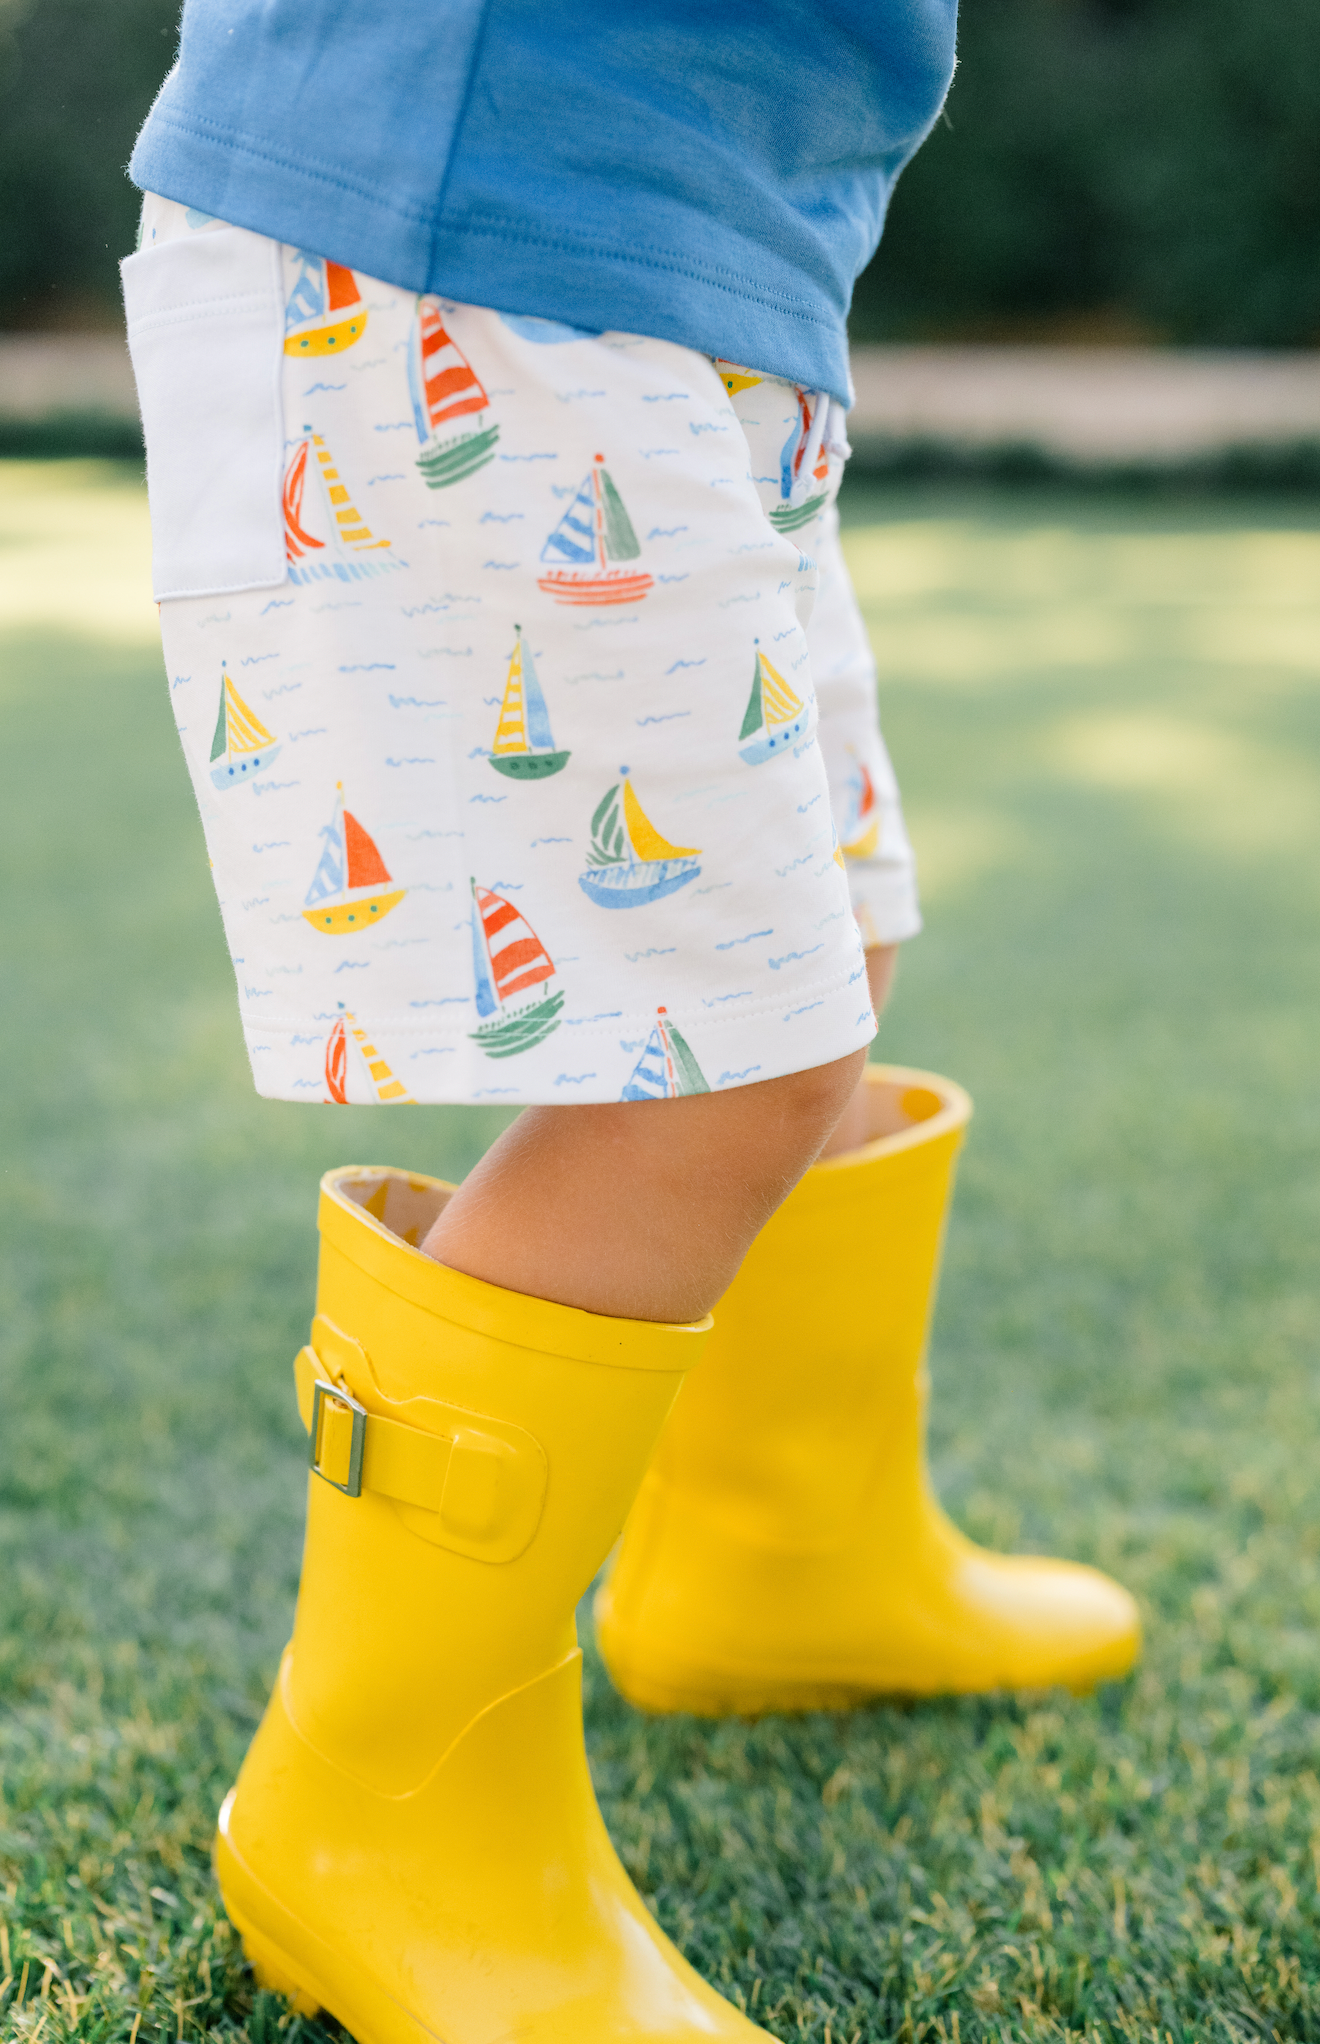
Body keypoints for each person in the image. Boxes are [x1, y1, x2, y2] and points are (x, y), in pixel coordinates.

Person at [121, 8, 1139, 2041]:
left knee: (826, 943)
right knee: (728, 1047)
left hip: (706, 259)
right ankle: (381, 1803)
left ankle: (780, 1556)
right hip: (473, 226)